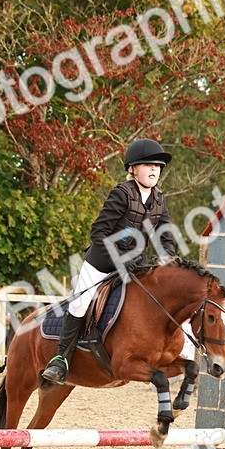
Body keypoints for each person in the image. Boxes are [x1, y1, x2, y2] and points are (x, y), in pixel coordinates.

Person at [41, 137, 181, 385]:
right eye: (148, 165)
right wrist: (119, 261)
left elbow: (166, 236)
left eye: (157, 166)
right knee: (81, 304)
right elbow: (98, 233)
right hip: (101, 264)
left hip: (137, 266)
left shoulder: (159, 199)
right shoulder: (121, 194)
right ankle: (60, 360)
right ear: (132, 169)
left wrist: (167, 261)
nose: (154, 170)